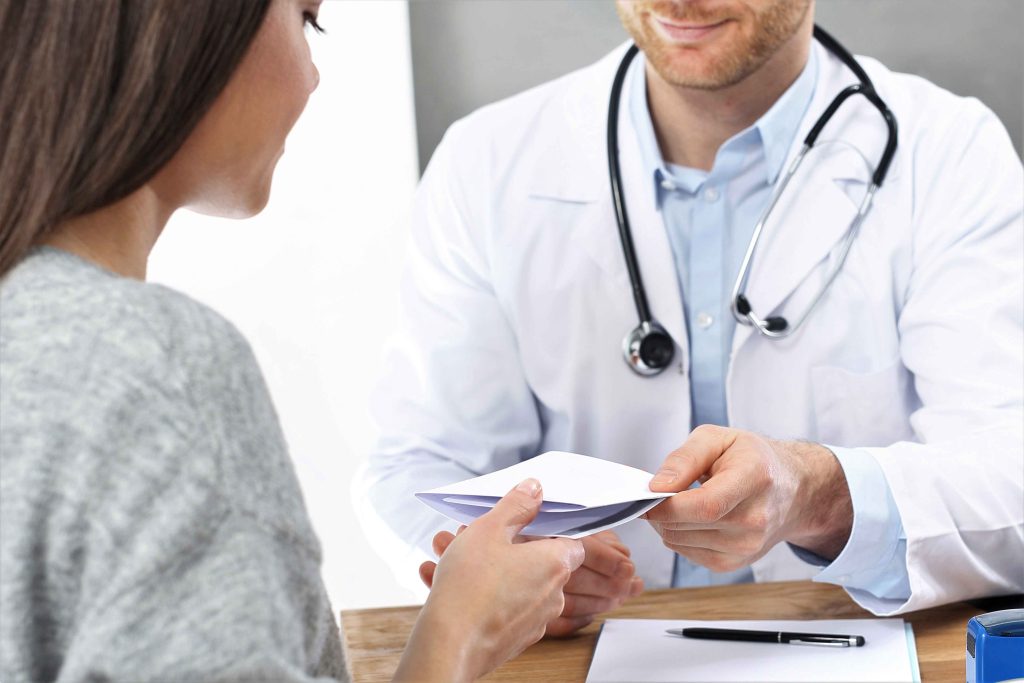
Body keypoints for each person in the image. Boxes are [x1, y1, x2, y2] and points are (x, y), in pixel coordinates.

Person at [357, 0, 1024, 625]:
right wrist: (490, 571)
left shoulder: (949, 155)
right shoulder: (486, 165)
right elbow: (419, 467)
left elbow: (1010, 477)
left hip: (852, 642)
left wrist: (823, 495)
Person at [0, 1, 586, 681]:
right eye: (308, 20)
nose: (311, 77)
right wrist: (453, 637)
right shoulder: (162, 363)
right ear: (189, 24)